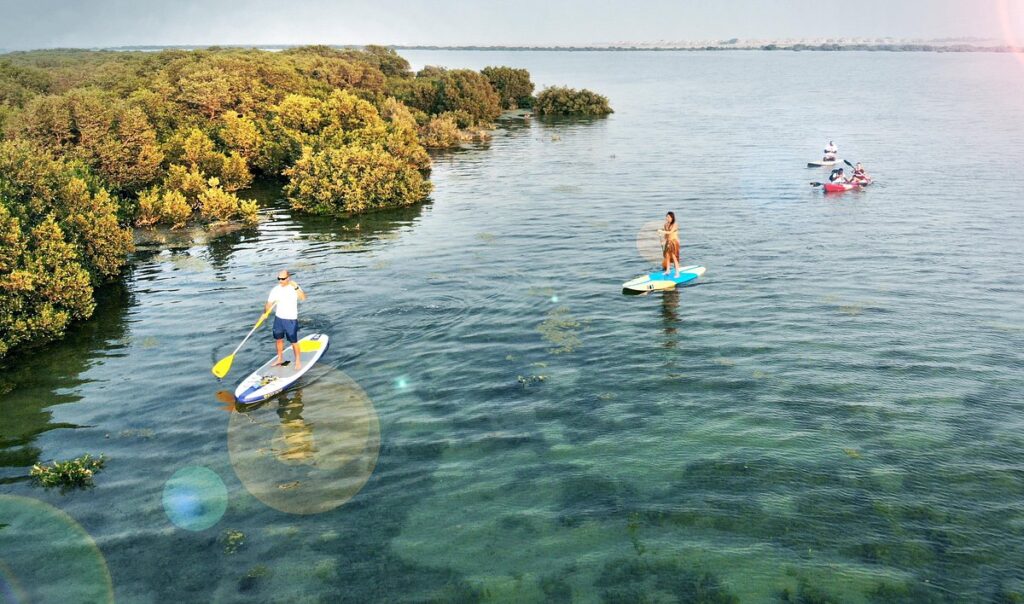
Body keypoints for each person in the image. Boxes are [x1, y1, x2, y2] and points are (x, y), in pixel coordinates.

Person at [265, 270, 307, 369]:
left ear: (288, 278)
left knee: (293, 341)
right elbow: (269, 303)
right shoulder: (276, 289)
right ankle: (279, 358)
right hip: (279, 318)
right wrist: (265, 313)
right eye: (278, 278)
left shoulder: (294, 288)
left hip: (290, 319)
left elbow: (303, 298)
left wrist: (296, 287)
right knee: (278, 339)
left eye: (283, 279)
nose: (280, 281)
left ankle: (297, 361)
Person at [658, 211, 681, 278]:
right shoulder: (665, 225)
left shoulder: (675, 224)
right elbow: (666, 235)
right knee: (667, 256)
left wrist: (661, 231)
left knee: (674, 257)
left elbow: (670, 232)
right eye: (666, 217)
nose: (667, 218)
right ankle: (668, 271)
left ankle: (677, 273)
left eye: (668, 217)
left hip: (674, 242)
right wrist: (663, 241)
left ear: (672, 217)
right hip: (668, 242)